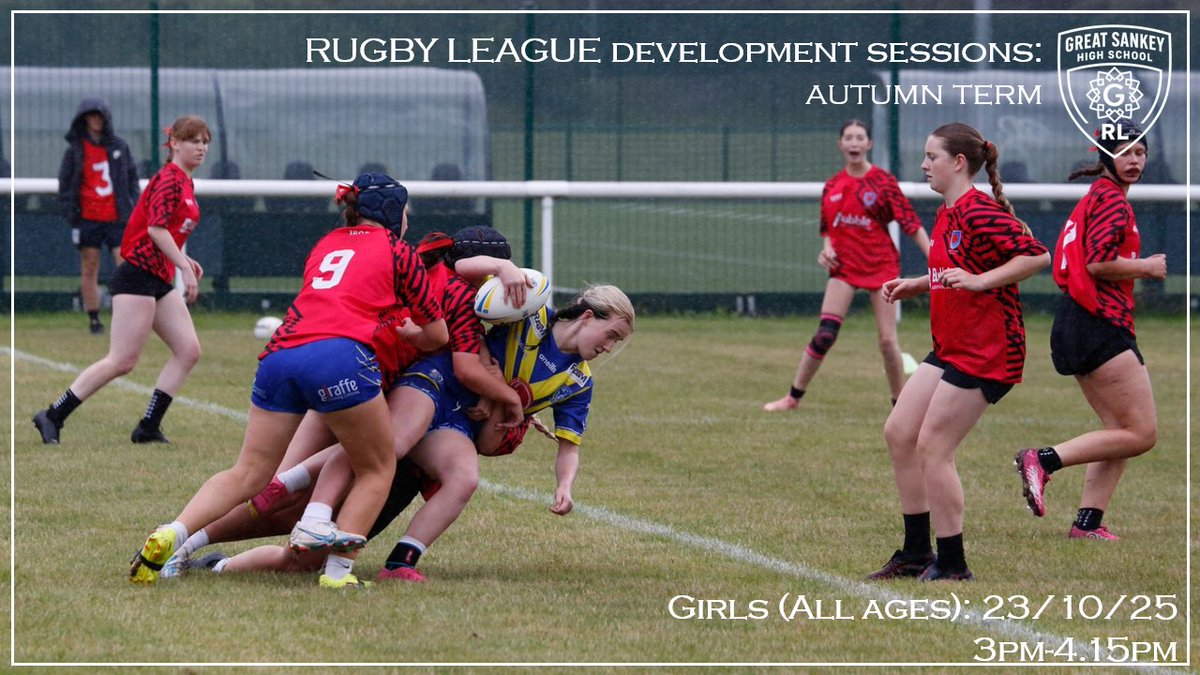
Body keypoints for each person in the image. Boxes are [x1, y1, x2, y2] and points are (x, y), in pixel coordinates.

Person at [127, 172, 449, 589]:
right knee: (378, 466)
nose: (407, 218)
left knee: (249, 472)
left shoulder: (326, 244)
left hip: (280, 352)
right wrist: (410, 333)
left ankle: (174, 532)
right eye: (405, 210)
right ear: (391, 211)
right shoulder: (397, 250)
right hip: (340, 356)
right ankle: (338, 574)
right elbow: (438, 335)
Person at [872, 123, 1049, 581]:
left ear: (959, 163)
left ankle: (952, 564)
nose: (924, 164)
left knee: (934, 446)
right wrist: (919, 283)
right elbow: (958, 269)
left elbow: (1036, 256)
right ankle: (915, 553)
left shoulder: (978, 211)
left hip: (988, 352)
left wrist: (980, 281)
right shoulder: (948, 212)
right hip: (952, 347)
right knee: (899, 433)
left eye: (932, 157)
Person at [377, 284, 635, 582]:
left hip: (460, 424)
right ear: (588, 316)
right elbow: (469, 317)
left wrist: (564, 486)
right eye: (611, 335)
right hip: (439, 382)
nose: (609, 348)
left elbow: (569, 448)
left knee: (465, 478)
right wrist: (489, 368)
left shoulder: (578, 382)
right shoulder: (531, 314)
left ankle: (400, 564)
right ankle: (308, 474)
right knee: (393, 445)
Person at [1014, 119, 1164, 541]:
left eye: (1140, 151)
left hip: (1079, 321)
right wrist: (1146, 267)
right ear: (1106, 156)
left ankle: (1088, 524)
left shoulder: (1099, 195)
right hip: (1097, 322)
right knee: (1141, 433)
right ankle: (1043, 460)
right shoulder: (1113, 201)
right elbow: (1098, 263)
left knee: (1118, 431)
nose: (1134, 160)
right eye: (1125, 152)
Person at [33, 115, 210, 445]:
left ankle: (147, 427)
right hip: (137, 276)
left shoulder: (185, 181)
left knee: (188, 350)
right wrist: (183, 267)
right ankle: (53, 414)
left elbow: (164, 232)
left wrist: (185, 260)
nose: (201, 147)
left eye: (204, 142)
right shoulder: (170, 179)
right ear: (174, 144)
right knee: (122, 360)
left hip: (156, 277)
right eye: (193, 141)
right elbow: (156, 229)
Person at [764, 120, 929, 412]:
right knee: (825, 334)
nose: (854, 143)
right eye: (848, 138)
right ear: (840, 144)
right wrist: (827, 249)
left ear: (869, 144)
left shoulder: (883, 182)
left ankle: (899, 406)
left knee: (888, 340)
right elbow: (828, 227)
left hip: (881, 267)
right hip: (844, 268)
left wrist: (933, 256)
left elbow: (911, 224)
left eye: (860, 138)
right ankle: (792, 398)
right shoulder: (833, 185)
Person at [57, 98, 140, 335]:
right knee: (89, 267)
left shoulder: (119, 147)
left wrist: (130, 206)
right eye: (91, 116)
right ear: (84, 119)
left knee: (125, 267)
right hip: (88, 219)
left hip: (117, 219)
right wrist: (71, 214)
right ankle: (94, 318)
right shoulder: (76, 150)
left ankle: (126, 317)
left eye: (99, 116)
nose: (95, 120)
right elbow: (65, 184)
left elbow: (132, 178)